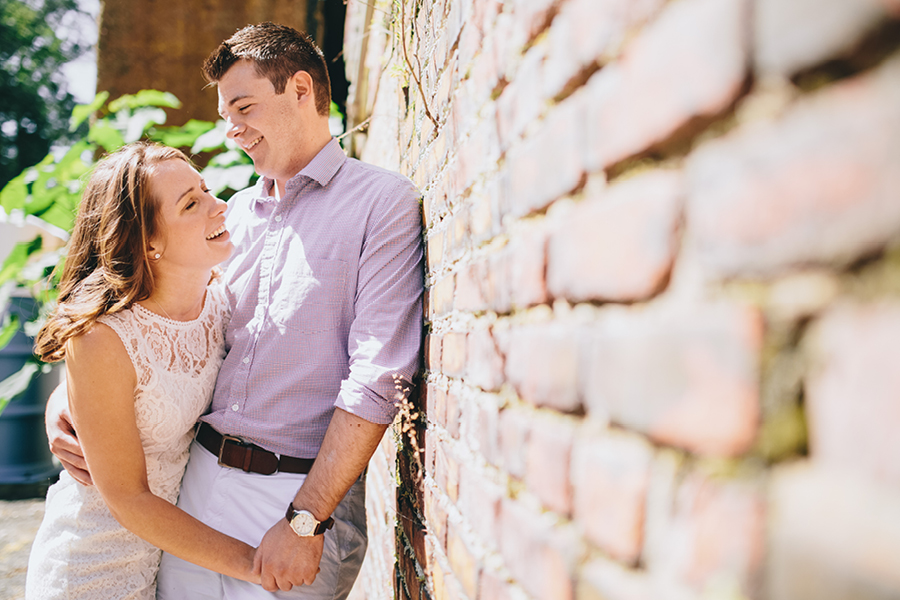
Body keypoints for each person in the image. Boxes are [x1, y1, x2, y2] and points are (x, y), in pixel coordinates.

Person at [46, 22, 424, 599]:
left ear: (301, 90)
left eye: (243, 107)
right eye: (226, 113)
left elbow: (378, 377)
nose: (232, 130)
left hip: (297, 502)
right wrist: (69, 402)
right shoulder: (229, 219)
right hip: (194, 494)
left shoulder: (381, 203)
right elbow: (150, 324)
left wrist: (307, 518)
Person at [27, 142, 261, 599]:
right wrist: (255, 563)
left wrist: (65, 399)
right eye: (191, 204)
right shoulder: (101, 338)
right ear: (146, 241)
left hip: (173, 560)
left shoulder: (221, 301)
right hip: (92, 568)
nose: (219, 206)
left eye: (205, 190)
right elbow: (128, 498)